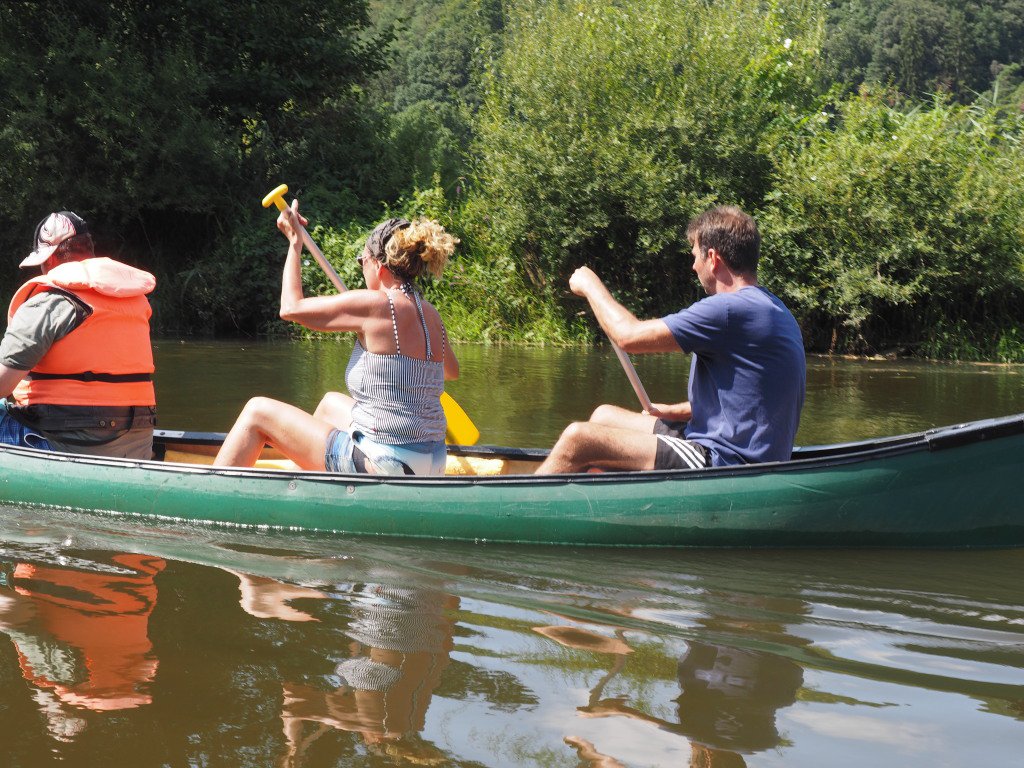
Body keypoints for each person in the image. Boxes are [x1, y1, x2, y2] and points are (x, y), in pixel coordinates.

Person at [536, 205, 804, 474]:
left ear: (713, 258)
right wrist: (673, 411)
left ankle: (523, 500)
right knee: (604, 417)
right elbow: (750, 402)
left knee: (578, 439)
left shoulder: (728, 310)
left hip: (726, 460)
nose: (693, 266)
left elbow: (628, 336)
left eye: (695, 256)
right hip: (733, 445)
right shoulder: (772, 307)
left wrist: (590, 285)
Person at [214, 202, 459, 475]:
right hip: (433, 461)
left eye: (362, 261)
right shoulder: (431, 315)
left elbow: (290, 308)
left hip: (386, 463)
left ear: (378, 265)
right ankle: (303, 485)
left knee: (256, 411)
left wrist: (295, 244)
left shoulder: (377, 305)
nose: (362, 269)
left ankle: (212, 490)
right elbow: (451, 371)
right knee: (330, 404)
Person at [0, 211, 158, 459]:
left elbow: (2, 383)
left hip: (67, 446)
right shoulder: (135, 302)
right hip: (136, 448)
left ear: (50, 258)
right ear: (89, 251)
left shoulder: (49, 302)